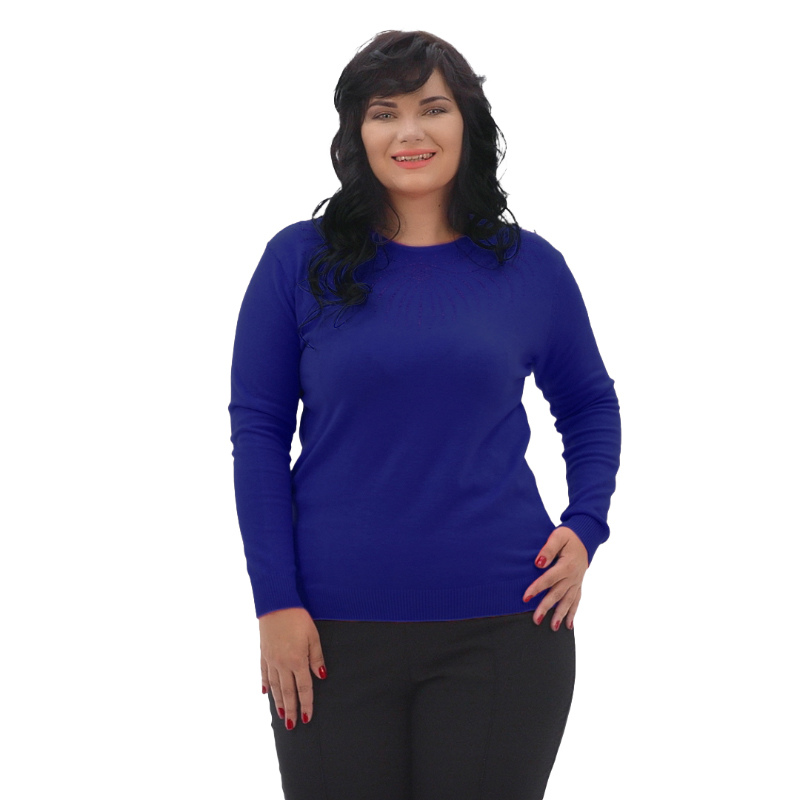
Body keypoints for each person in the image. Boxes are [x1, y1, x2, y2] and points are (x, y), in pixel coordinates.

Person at [228, 29, 622, 800]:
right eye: (385, 112)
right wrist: (275, 600)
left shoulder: (529, 267)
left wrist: (585, 527)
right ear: (357, 132)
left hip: (505, 630)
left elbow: (588, 404)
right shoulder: (297, 263)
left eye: (432, 108)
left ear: (467, 123)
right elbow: (259, 435)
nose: (409, 131)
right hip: (326, 635)